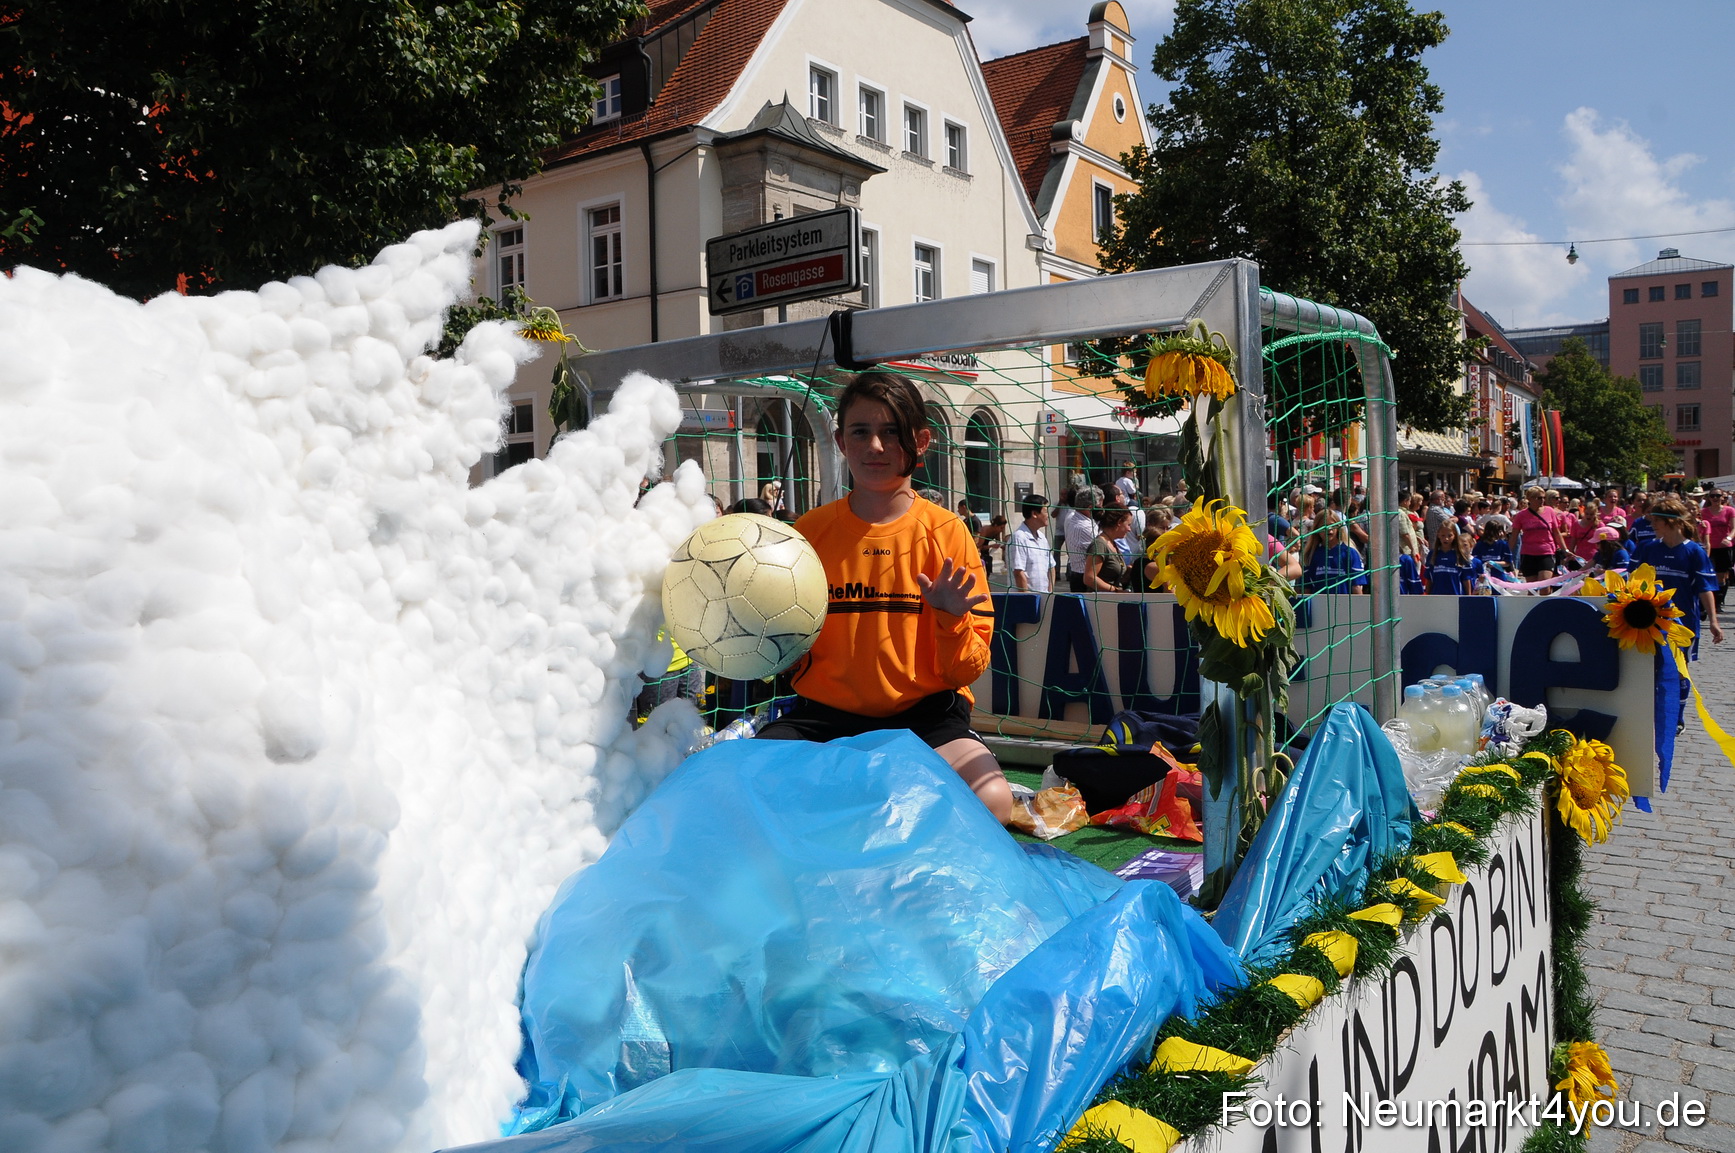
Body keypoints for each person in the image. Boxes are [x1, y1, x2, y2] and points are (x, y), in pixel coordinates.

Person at [754, 371, 1012, 824]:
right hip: (824, 718)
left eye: (891, 432)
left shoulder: (948, 533)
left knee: (993, 801)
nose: (875, 446)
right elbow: (784, 652)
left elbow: (966, 671)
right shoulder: (809, 532)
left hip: (927, 718)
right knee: (749, 788)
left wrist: (951, 620)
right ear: (841, 441)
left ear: (922, 441)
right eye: (861, 432)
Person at [1509, 486, 1568, 584]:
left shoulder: (1549, 511)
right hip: (1528, 553)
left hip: (1546, 552)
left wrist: (1565, 550)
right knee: (1532, 588)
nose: (1542, 500)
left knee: (1544, 584)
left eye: (1543, 498)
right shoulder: (1521, 515)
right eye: (1539, 498)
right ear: (1530, 499)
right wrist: (1507, 553)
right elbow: (1514, 537)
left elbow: (1557, 533)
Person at [1299, 510, 1367, 594]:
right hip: (1319, 601)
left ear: (1338, 527)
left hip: (1344, 601)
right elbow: (1306, 588)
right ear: (1317, 529)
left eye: (1332, 525)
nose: (1329, 529)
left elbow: (1357, 586)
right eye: (1324, 526)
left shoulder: (1349, 552)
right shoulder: (1311, 554)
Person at [1006, 496, 1053, 593]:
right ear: (1034, 514)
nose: (1048, 515)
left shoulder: (1042, 537)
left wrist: (1049, 594)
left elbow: (1051, 567)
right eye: (1045, 511)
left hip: (1044, 597)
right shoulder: (1018, 538)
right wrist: (1027, 597)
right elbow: (1018, 572)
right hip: (1025, 598)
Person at [1083, 508, 1134, 591]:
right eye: (1128, 525)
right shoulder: (1099, 545)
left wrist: (1129, 571)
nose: (1129, 529)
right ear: (1119, 522)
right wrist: (1115, 590)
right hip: (1103, 597)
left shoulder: (1112, 543)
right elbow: (1089, 578)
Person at [1425, 522, 1483, 595]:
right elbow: (1429, 578)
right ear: (1438, 535)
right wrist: (1427, 596)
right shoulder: (1433, 554)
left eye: (1450, 536)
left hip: (1455, 596)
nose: (1446, 539)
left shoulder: (1460, 554)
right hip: (1436, 596)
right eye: (1443, 535)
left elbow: (1466, 579)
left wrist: (1468, 597)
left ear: (1455, 536)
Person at [1063, 485, 1101, 593]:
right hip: (1084, 579)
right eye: (1100, 506)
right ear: (1090, 507)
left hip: (1078, 575)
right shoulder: (1085, 526)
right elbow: (1101, 549)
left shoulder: (1074, 517)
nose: (1102, 509)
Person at [1703, 488, 1734, 612]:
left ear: (1722, 497)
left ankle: (1719, 601)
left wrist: (1728, 538)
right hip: (1709, 547)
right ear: (1709, 498)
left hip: (1724, 546)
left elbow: (1734, 528)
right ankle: (1712, 601)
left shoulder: (1729, 510)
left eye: (1718, 495)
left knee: (1721, 576)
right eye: (1712, 496)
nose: (1715, 498)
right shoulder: (1704, 512)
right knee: (1710, 574)